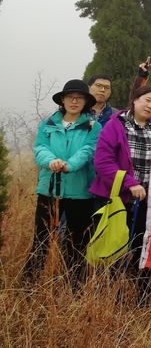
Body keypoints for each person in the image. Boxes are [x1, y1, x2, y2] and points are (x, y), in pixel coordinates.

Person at [89, 84, 151, 299]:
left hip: (145, 200)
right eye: (147, 100)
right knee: (113, 247)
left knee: (141, 247)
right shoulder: (115, 125)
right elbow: (103, 162)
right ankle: (107, 297)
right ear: (135, 100)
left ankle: (141, 297)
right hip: (116, 198)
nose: (150, 106)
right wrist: (129, 183)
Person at [22, 79, 102, 283]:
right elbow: (40, 148)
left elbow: (89, 150)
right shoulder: (48, 124)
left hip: (80, 192)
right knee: (41, 238)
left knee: (77, 241)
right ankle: (30, 284)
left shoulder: (93, 126)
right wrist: (51, 161)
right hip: (48, 190)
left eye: (79, 98)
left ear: (86, 102)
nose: (74, 101)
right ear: (63, 100)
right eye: (70, 97)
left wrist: (69, 165)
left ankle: (74, 285)